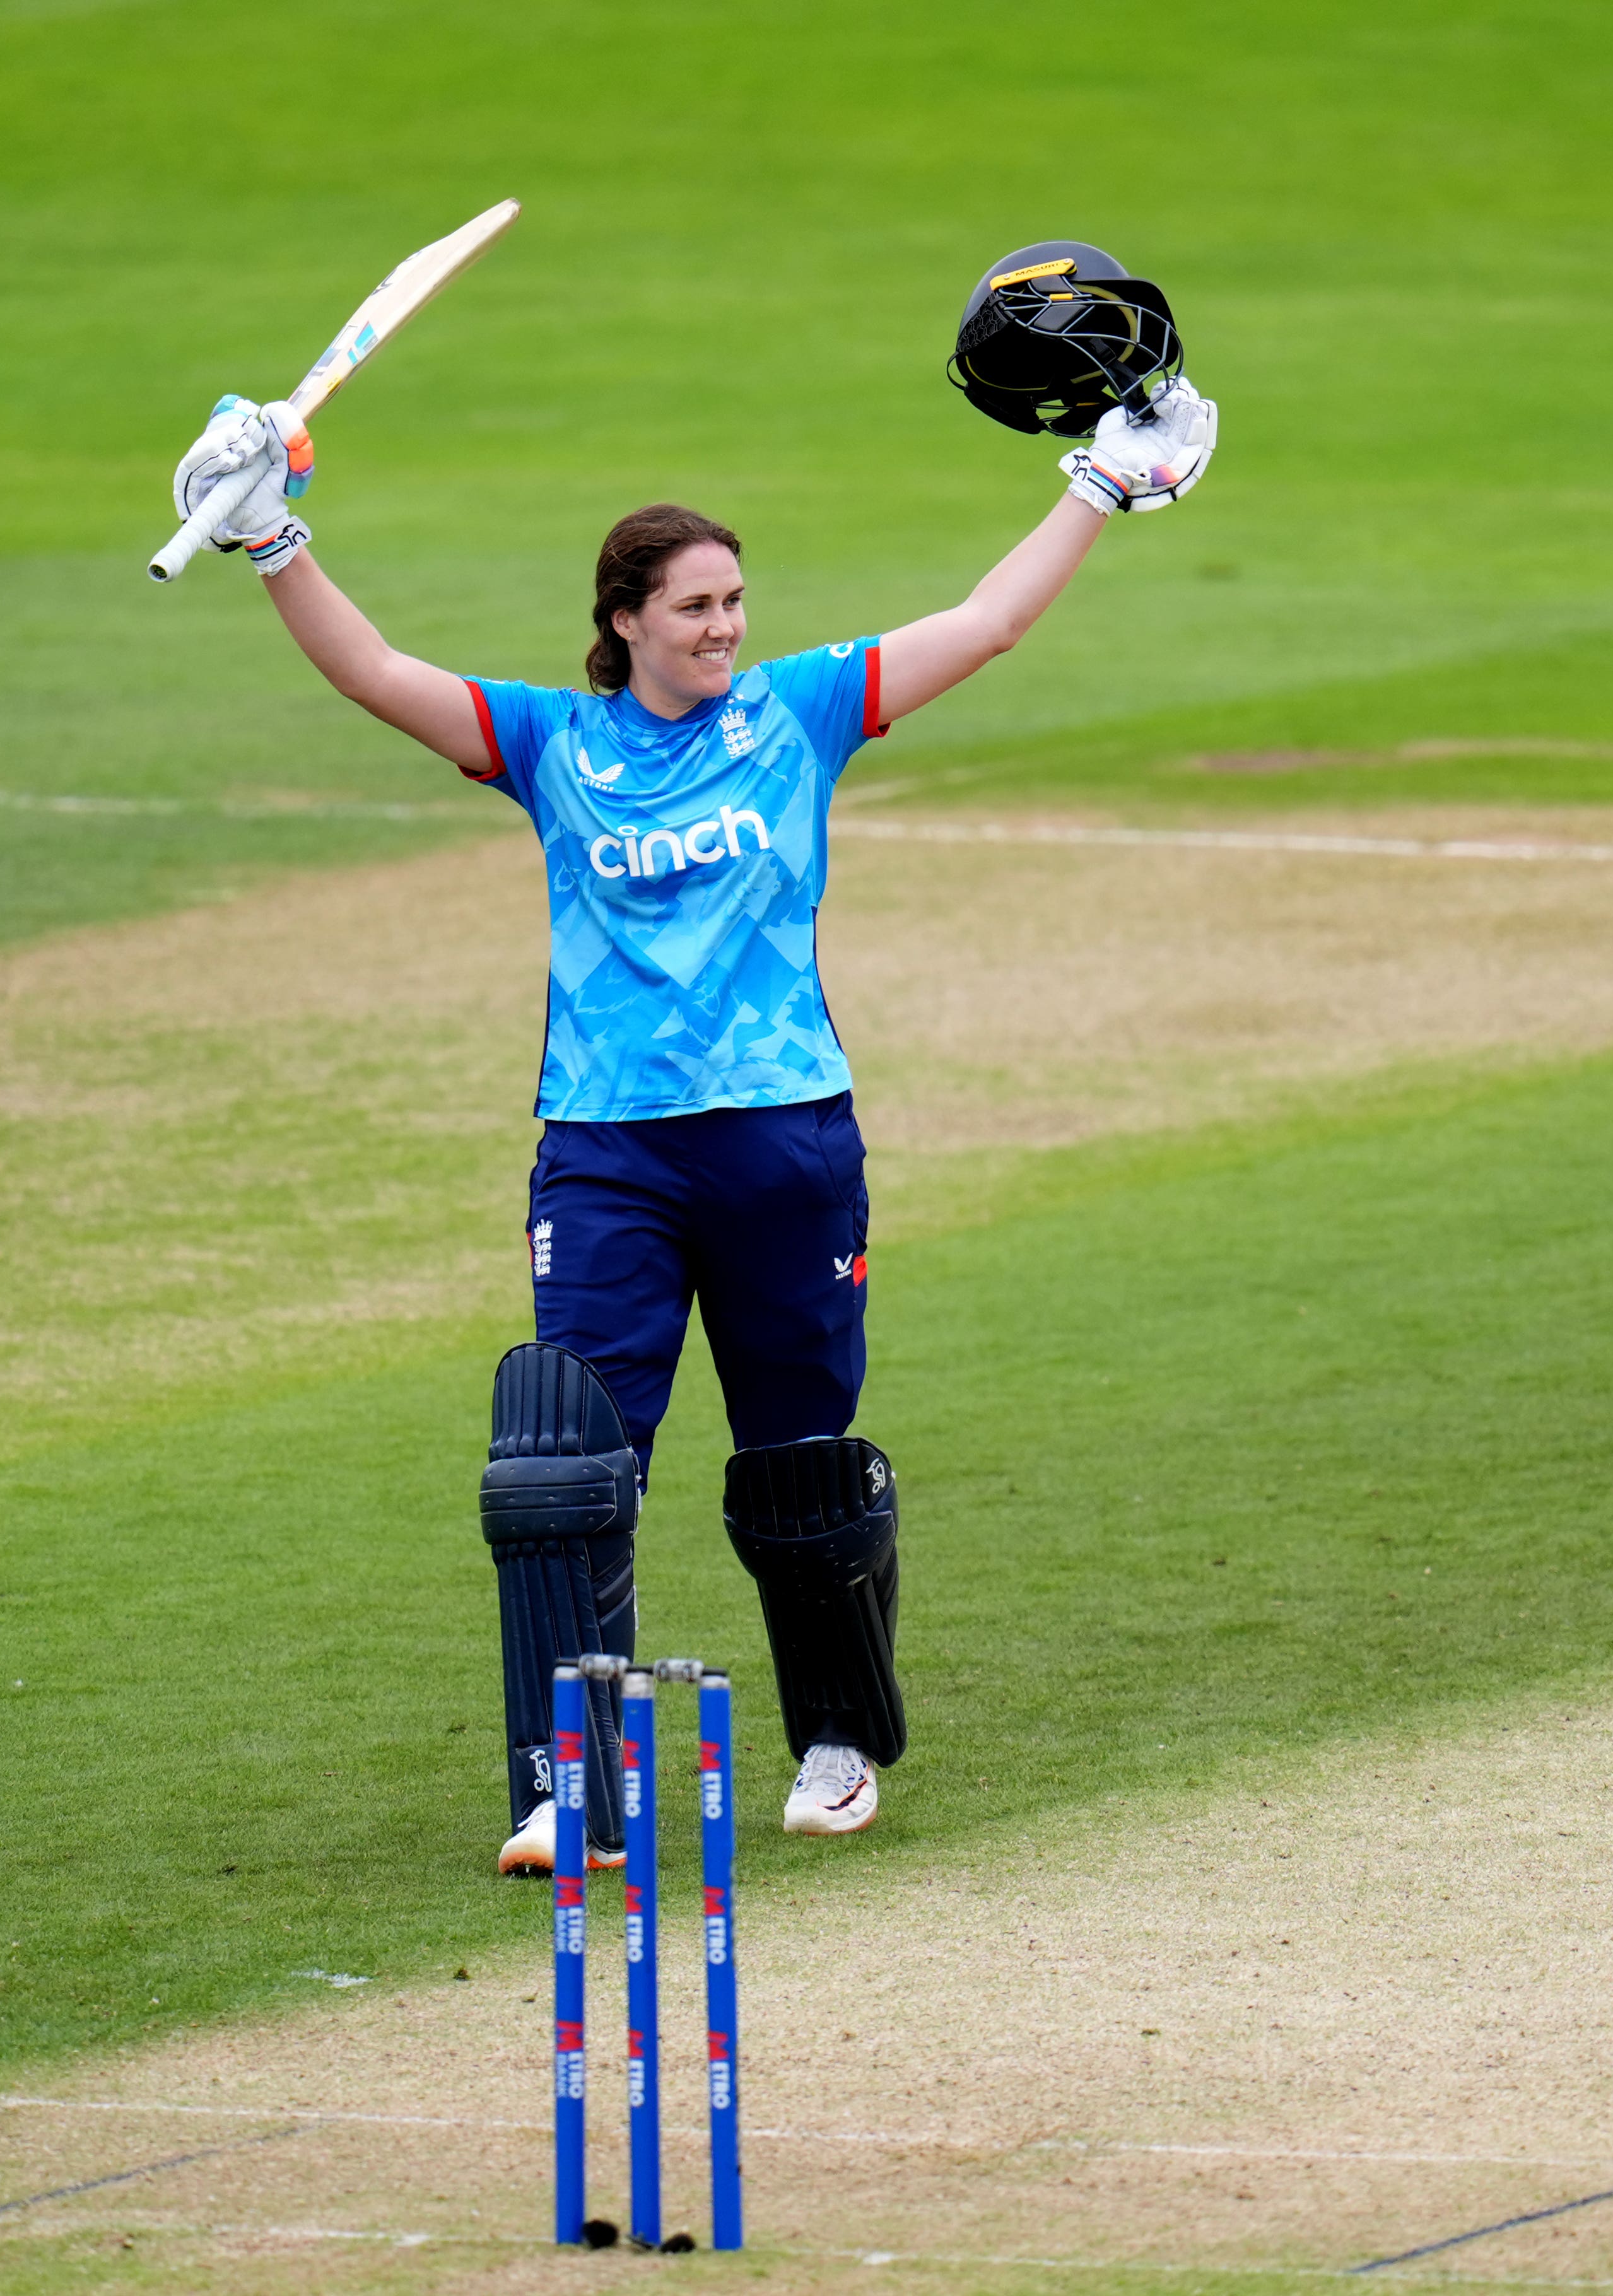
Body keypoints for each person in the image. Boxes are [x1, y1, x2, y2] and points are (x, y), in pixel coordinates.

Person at [164, 366, 1217, 1868]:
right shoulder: (551, 745)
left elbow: (983, 624)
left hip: (785, 1136)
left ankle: (840, 1743)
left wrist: (1101, 486)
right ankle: (564, 1782)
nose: (726, 626)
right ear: (626, 621)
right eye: (696, 606)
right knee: (566, 1467)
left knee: (797, 1458)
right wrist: (271, 538)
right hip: (608, 1149)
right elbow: (376, 673)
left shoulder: (797, 710)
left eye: (735, 600)